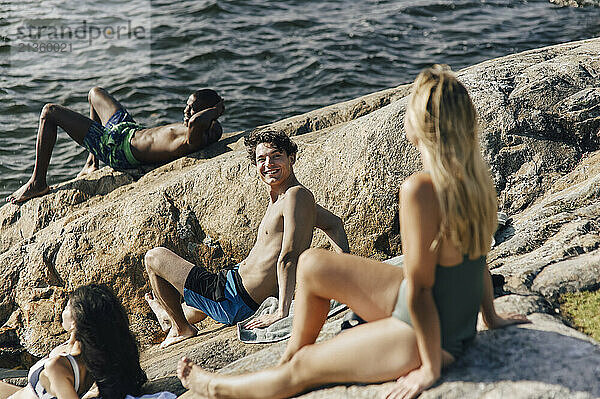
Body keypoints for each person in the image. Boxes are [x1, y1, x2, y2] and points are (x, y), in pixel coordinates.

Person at [174, 65, 530, 399]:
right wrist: (490, 316)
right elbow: (477, 256)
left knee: (302, 370)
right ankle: (295, 352)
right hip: (425, 304)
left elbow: (421, 289)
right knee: (312, 263)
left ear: (419, 124)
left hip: (425, 335)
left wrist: (431, 366)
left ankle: (225, 385)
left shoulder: (420, 190)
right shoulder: (476, 178)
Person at [144, 129, 350, 348]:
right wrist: (348, 271)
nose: (268, 163)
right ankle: (168, 317)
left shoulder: (295, 195)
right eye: (262, 159)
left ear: (292, 157)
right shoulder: (287, 198)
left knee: (153, 257)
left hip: (233, 298)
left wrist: (282, 311)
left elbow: (289, 256)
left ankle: (181, 329)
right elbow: (334, 224)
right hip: (234, 288)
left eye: (276, 156)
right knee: (194, 306)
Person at [6, 87, 224, 203]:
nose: (186, 113)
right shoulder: (211, 128)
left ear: (209, 112)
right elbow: (198, 119)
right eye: (187, 106)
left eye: (193, 109)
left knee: (49, 112)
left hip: (118, 149)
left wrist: (217, 109)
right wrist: (212, 112)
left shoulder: (197, 136)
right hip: (127, 130)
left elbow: (197, 121)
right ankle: (92, 162)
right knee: (95, 93)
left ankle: (37, 182)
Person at [0, 284, 147, 399]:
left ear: (75, 323)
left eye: (66, 307)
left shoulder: (57, 366)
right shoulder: (96, 355)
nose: (62, 310)